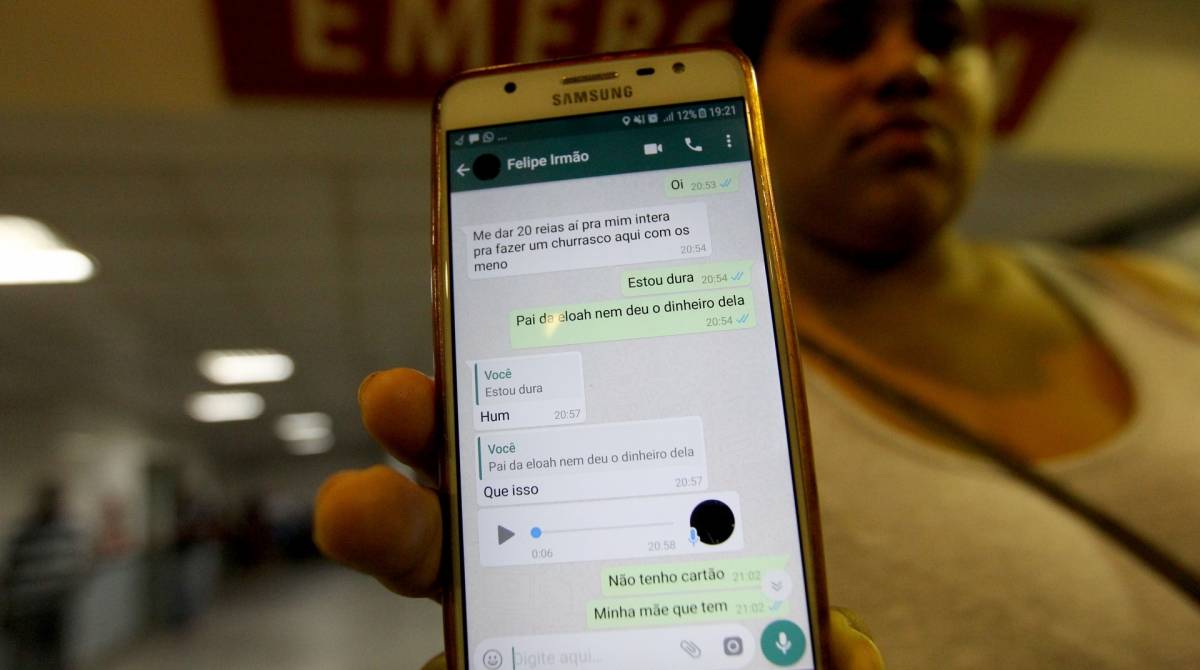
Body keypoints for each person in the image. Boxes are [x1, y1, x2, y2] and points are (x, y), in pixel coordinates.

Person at [314, 0, 1200, 667]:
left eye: (942, 31)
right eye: (840, 36)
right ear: (757, 92)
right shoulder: (688, 369)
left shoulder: (1162, 299)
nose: (907, 68)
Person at [2, 483, 89, 670]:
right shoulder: (24, 532)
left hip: (55, 606)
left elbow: (78, 563)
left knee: (55, 656)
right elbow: (10, 569)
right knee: (27, 656)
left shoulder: (66, 530)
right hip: (27, 607)